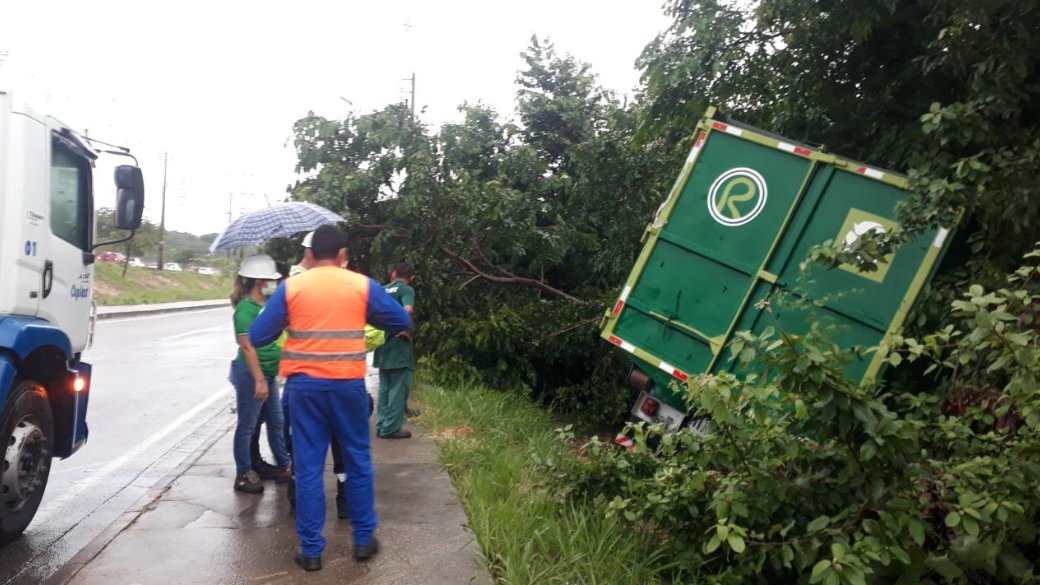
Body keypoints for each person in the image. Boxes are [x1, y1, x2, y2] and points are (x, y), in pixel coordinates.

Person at [250, 225, 412, 571]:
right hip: (347, 387)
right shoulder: (361, 284)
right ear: (342, 255)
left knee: (308, 467)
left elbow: (260, 335)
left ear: (309, 255)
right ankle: (364, 539)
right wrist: (364, 315)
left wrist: (287, 320)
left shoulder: (292, 287)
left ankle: (311, 552)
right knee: (357, 460)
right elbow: (400, 319)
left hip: (305, 389)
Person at [229, 254, 291, 493]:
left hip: (268, 373)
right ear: (260, 282)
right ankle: (243, 473)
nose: (273, 284)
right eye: (270, 280)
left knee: (277, 421)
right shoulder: (245, 309)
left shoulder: (265, 306)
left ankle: (284, 466)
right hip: (251, 375)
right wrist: (259, 381)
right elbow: (247, 346)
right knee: (247, 425)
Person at [373, 262, 417, 439]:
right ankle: (391, 428)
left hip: (382, 345)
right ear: (411, 278)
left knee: (385, 387)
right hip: (398, 346)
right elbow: (408, 309)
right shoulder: (406, 290)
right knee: (399, 388)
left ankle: (382, 424)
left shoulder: (381, 290)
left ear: (393, 274)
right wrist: (405, 329)